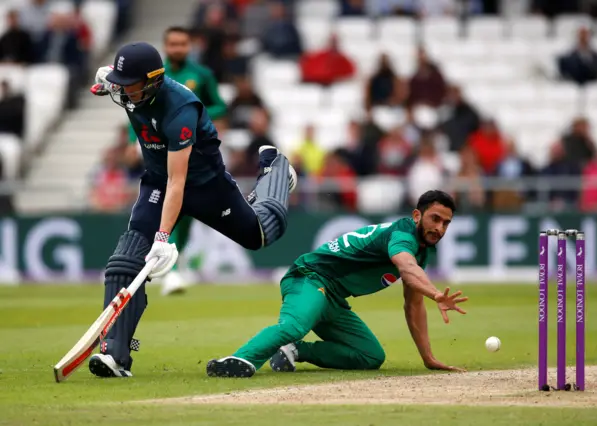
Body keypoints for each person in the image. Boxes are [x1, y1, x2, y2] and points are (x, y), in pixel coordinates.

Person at [88, 41, 297, 378]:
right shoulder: (128, 87)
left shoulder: (179, 110)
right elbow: (106, 82)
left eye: (132, 85)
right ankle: (115, 353)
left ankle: (275, 169)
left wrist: (162, 238)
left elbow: (178, 182)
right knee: (124, 263)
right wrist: (107, 82)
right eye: (120, 84)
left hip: (204, 187)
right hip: (157, 182)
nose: (125, 92)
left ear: (154, 80)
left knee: (259, 235)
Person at [207, 190, 468, 378]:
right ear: (416, 216)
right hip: (310, 277)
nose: (440, 228)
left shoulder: (421, 251)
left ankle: (295, 351)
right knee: (294, 325)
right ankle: (239, 359)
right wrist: (436, 293)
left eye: (446, 223)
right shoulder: (402, 234)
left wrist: (428, 358)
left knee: (370, 356)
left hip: (332, 296)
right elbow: (407, 269)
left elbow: (413, 306)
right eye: (435, 218)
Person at [126, 27, 228, 296]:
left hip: (194, 146)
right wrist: (130, 141)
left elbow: (220, 106)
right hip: (159, 146)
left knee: (189, 209)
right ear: (166, 45)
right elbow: (135, 107)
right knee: (167, 198)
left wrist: (192, 111)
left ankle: (173, 262)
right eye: (173, 44)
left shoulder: (202, 75)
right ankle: (168, 269)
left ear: (189, 45)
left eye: (183, 44)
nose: (178, 48)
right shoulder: (154, 75)